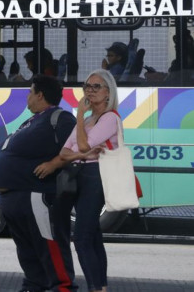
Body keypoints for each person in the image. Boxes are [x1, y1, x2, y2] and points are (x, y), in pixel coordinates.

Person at [0, 75, 77, 292]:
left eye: (30, 92)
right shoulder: (31, 120)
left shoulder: (61, 118)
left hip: (36, 195)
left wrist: (53, 164)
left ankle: (63, 287)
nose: (27, 97)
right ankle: (34, 285)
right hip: (14, 198)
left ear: (40, 95)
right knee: (27, 251)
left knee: (49, 246)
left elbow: (76, 148)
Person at [59, 69, 121, 292]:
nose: (90, 91)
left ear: (108, 92)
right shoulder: (87, 120)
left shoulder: (110, 118)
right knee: (93, 236)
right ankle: (101, 287)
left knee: (82, 238)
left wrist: (78, 118)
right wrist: (81, 153)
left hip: (96, 176)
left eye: (97, 86)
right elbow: (65, 152)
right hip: (80, 176)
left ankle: (95, 288)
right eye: (87, 86)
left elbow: (82, 146)